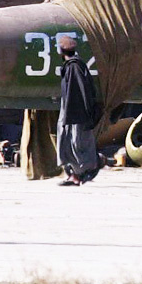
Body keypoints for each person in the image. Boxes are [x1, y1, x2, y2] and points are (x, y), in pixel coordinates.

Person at [56, 35, 102, 186]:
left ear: (61, 50)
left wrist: (79, 114)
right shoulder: (74, 65)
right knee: (69, 142)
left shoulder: (74, 67)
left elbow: (80, 93)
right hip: (72, 111)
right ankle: (74, 174)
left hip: (75, 112)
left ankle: (79, 174)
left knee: (77, 143)